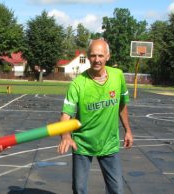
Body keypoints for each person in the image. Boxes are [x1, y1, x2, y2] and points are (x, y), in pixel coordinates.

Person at [57, 39, 133, 194]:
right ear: (89, 57)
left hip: (109, 143)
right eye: (93, 56)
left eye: (100, 55)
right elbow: (66, 115)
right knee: (79, 189)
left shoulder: (118, 76)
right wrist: (65, 136)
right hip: (83, 144)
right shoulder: (78, 84)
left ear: (108, 56)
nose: (96, 60)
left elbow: (122, 105)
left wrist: (128, 130)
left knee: (117, 190)